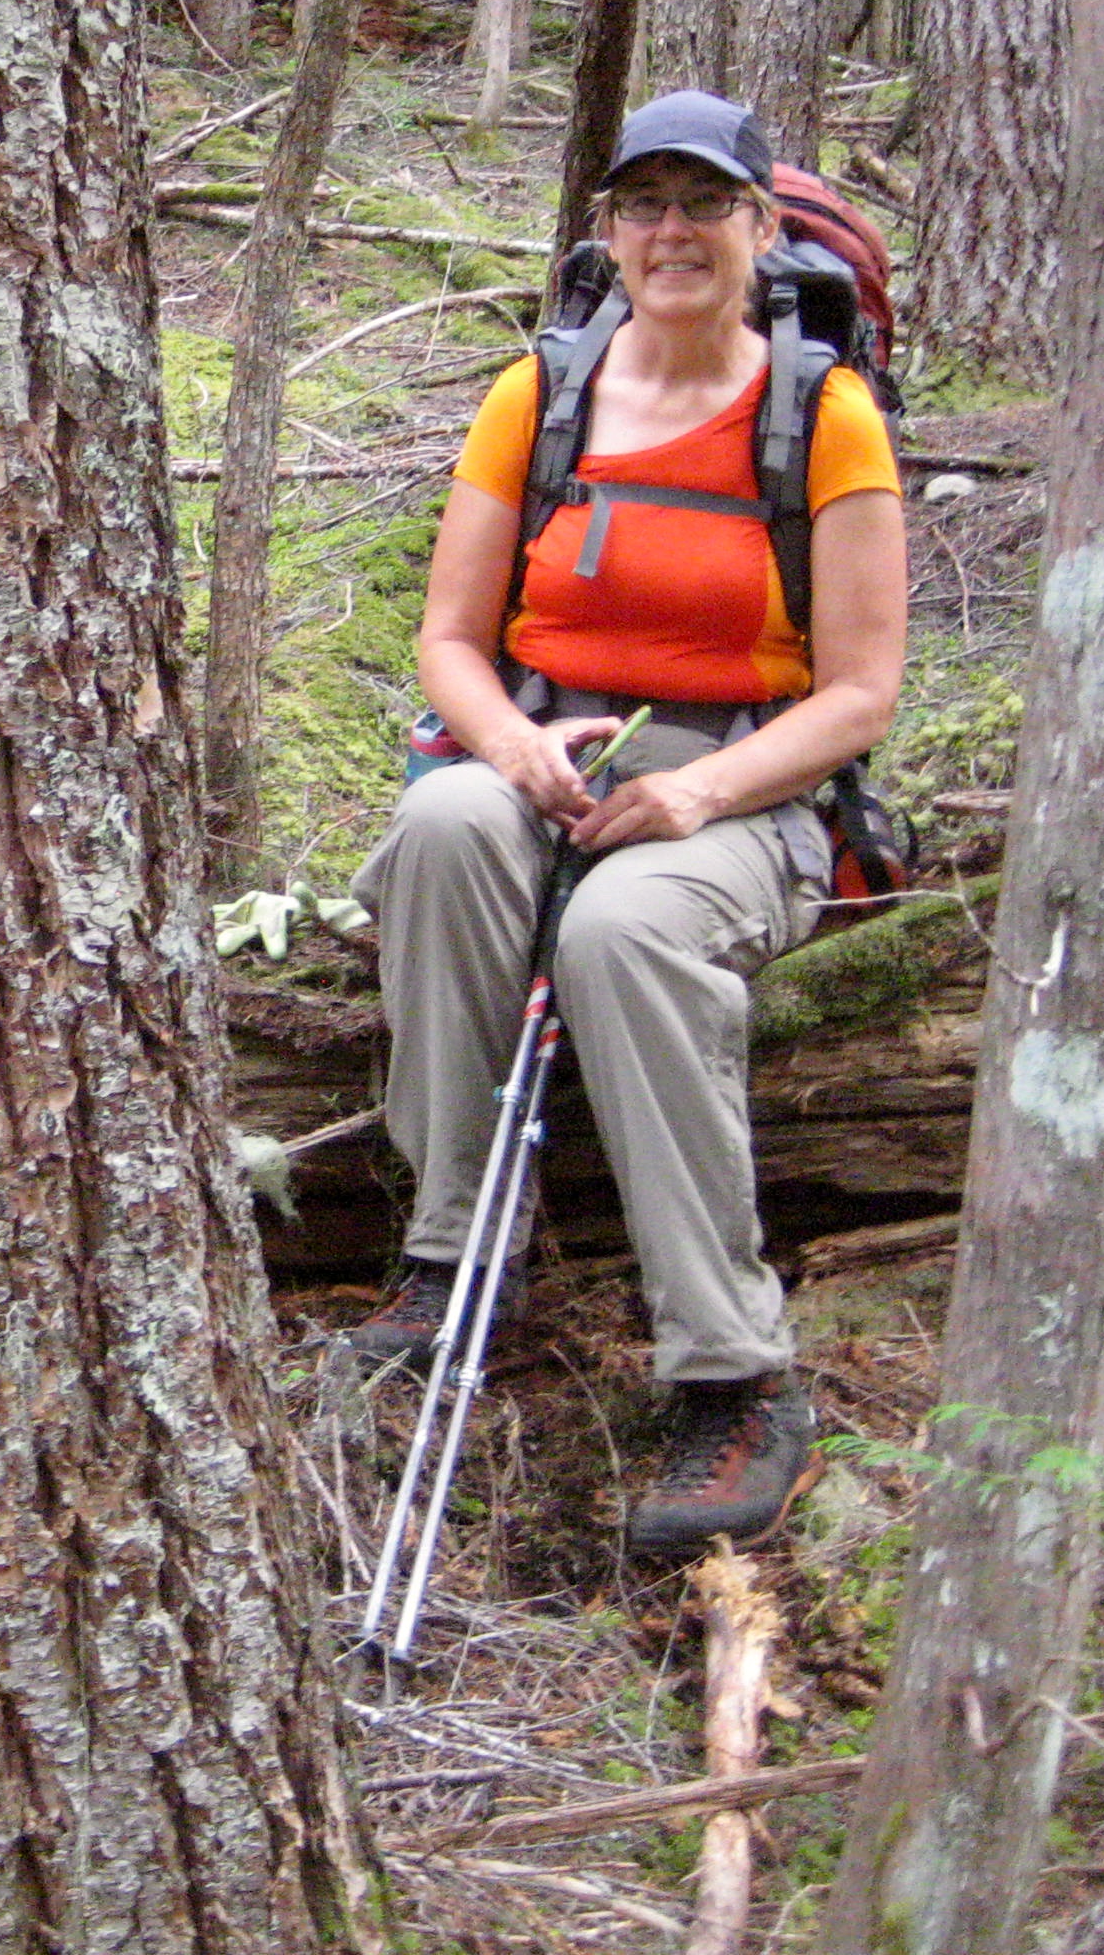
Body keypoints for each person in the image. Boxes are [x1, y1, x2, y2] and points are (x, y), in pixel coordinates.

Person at [346, 91, 908, 1555]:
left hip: (748, 784)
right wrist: (514, 744)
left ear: (759, 228)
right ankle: (453, 1245)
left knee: (626, 931)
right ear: (606, 232)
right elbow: (452, 642)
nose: (673, 232)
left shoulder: (823, 417)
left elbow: (859, 696)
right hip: (551, 746)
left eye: (703, 204)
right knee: (449, 831)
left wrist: (697, 793)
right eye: (643, 205)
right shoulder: (541, 395)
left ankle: (730, 1374)